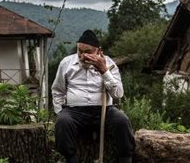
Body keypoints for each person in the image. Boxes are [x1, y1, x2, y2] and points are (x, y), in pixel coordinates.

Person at [52, 29, 135, 163]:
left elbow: (118, 94)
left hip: (104, 111)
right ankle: (71, 159)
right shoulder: (66, 63)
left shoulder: (109, 64)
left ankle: (125, 159)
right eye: (80, 51)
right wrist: (60, 111)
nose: (83, 56)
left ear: (98, 51)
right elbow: (57, 91)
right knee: (63, 121)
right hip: (75, 112)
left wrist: (104, 71)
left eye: (88, 52)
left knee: (122, 121)